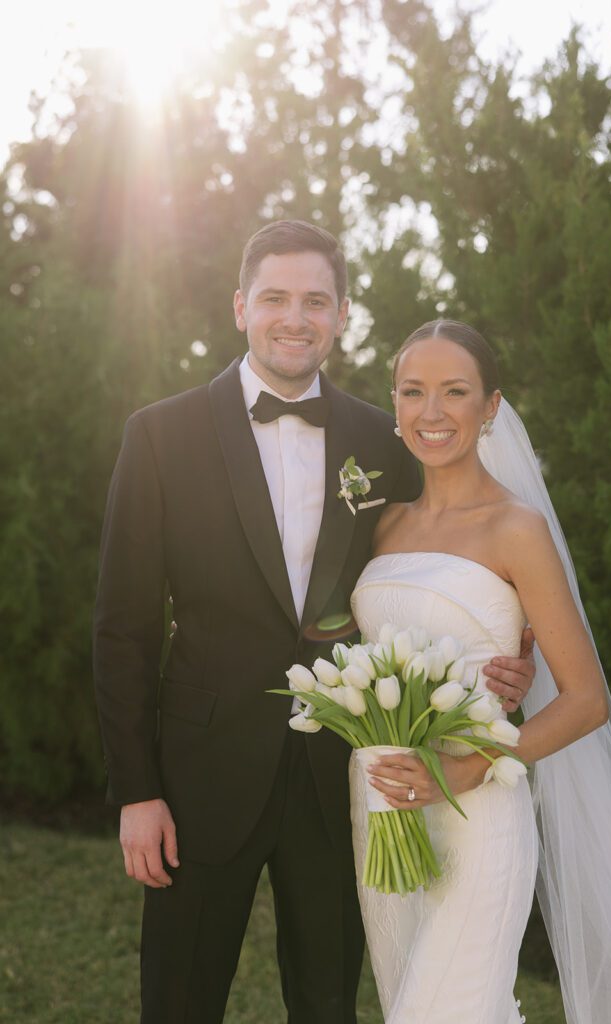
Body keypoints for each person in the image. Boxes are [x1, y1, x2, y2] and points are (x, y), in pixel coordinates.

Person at [92, 223, 536, 1024]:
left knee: (329, 1000)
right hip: (200, 777)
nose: (293, 318)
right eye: (274, 298)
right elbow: (121, 627)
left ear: (340, 316)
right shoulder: (159, 436)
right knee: (179, 999)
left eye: (314, 302)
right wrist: (138, 792)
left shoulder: (385, 438)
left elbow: (444, 565)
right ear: (239, 306)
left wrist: (507, 657)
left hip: (344, 776)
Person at [349, 319, 611, 1024]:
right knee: (407, 997)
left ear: (490, 406)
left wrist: (475, 762)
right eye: (413, 392)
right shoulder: (383, 526)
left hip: (476, 812)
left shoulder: (515, 528)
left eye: (454, 392)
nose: (431, 412)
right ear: (394, 404)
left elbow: (585, 700)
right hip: (381, 808)